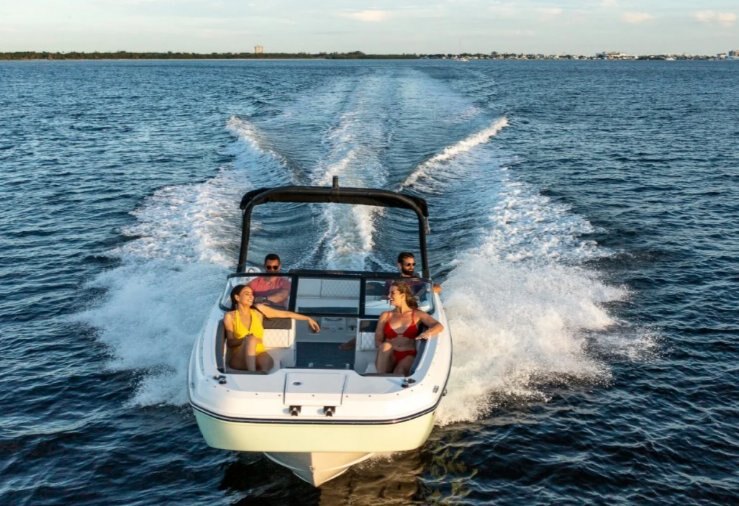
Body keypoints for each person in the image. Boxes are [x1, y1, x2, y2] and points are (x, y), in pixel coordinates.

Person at [224, 284, 320, 372]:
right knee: (251, 339)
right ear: (237, 297)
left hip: (259, 355)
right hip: (240, 360)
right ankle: (252, 374)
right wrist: (245, 340)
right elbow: (230, 343)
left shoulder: (258, 310)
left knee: (265, 360)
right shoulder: (230, 316)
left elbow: (284, 314)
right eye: (247, 294)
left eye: (252, 294)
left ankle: (261, 376)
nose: (251, 296)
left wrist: (307, 318)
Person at [375, 281, 444, 376]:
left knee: (400, 372)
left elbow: (438, 326)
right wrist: (383, 353)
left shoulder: (417, 314)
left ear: (403, 296)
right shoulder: (385, 315)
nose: (388, 296)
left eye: (392, 293)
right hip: (389, 355)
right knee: (385, 346)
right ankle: (380, 376)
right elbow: (378, 340)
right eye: (389, 293)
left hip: (407, 355)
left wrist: (427, 333)